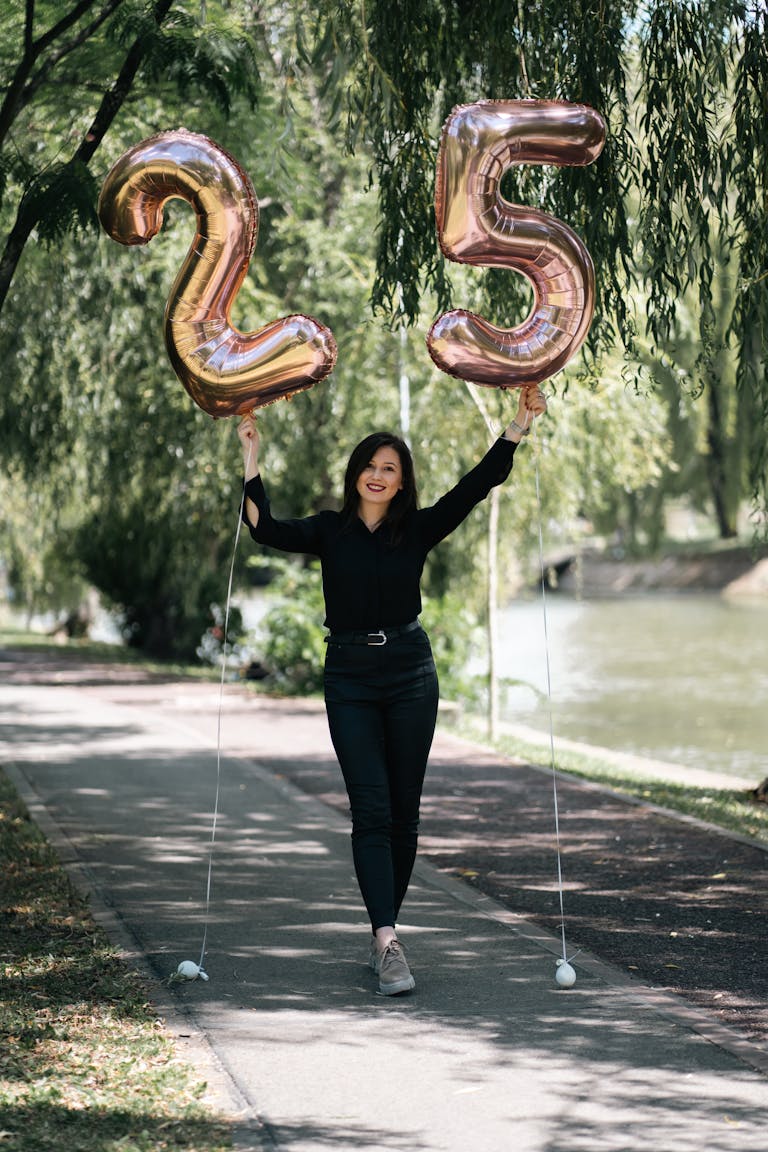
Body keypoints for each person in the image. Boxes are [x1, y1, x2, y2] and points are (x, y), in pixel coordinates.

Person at [237, 384, 547, 995]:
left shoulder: (419, 529)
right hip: (349, 677)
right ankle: (387, 939)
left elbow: (475, 485)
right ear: (355, 475)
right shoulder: (328, 531)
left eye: (390, 469)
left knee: (404, 814)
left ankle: (387, 928)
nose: (378, 476)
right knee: (371, 809)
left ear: (402, 482)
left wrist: (518, 425)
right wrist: (250, 455)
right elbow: (264, 529)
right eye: (370, 467)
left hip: (410, 672)